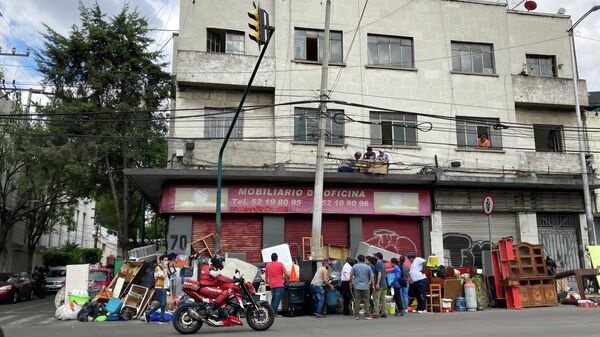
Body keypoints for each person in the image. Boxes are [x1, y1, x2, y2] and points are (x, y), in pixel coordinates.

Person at [199, 254, 235, 319]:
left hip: (207, 287)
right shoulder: (211, 268)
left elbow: (218, 279)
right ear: (217, 261)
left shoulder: (210, 268)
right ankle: (210, 309)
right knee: (226, 292)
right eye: (221, 261)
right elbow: (220, 277)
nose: (221, 263)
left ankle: (221, 310)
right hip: (206, 287)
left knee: (222, 293)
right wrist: (233, 280)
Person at [143, 254, 170, 323]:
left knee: (164, 303)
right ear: (161, 261)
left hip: (164, 287)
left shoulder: (163, 267)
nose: (166, 262)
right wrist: (165, 271)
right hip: (159, 287)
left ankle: (162, 318)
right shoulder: (158, 268)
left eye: (167, 260)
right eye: (165, 260)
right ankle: (148, 313)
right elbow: (163, 276)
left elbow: (167, 278)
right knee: (162, 303)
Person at [350, 254, 374, 320]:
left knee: (357, 301)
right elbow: (372, 277)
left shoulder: (355, 266)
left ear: (358, 259)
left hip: (357, 286)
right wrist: (372, 285)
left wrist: (351, 282)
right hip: (366, 287)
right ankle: (366, 315)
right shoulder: (368, 267)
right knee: (366, 301)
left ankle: (356, 315)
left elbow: (351, 275)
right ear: (364, 260)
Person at [372, 252, 388, 318]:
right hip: (384, 284)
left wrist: (377, 283)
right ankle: (384, 312)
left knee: (376, 299)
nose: (374, 257)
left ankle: (376, 313)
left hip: (380, 284)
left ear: (378, 257)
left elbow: (379, 273)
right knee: (383, 299)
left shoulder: (378, 263)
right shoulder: (383, 263)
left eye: (375, 256)